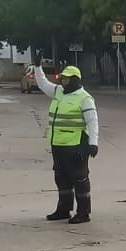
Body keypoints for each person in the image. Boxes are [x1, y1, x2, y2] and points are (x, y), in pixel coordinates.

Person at [28, 64, 100, 224]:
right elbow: (43, 84)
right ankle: (63, 209)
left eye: (66, 79)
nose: (62, 81)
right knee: (61, 178)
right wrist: (38, 67)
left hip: (76, 145)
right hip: (58, 144)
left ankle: (83, 212)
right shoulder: (59, 92)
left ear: (74, 80)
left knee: (80, 179)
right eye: (62, 78)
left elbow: (92, 121)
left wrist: (93, 143)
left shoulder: (85, 98)